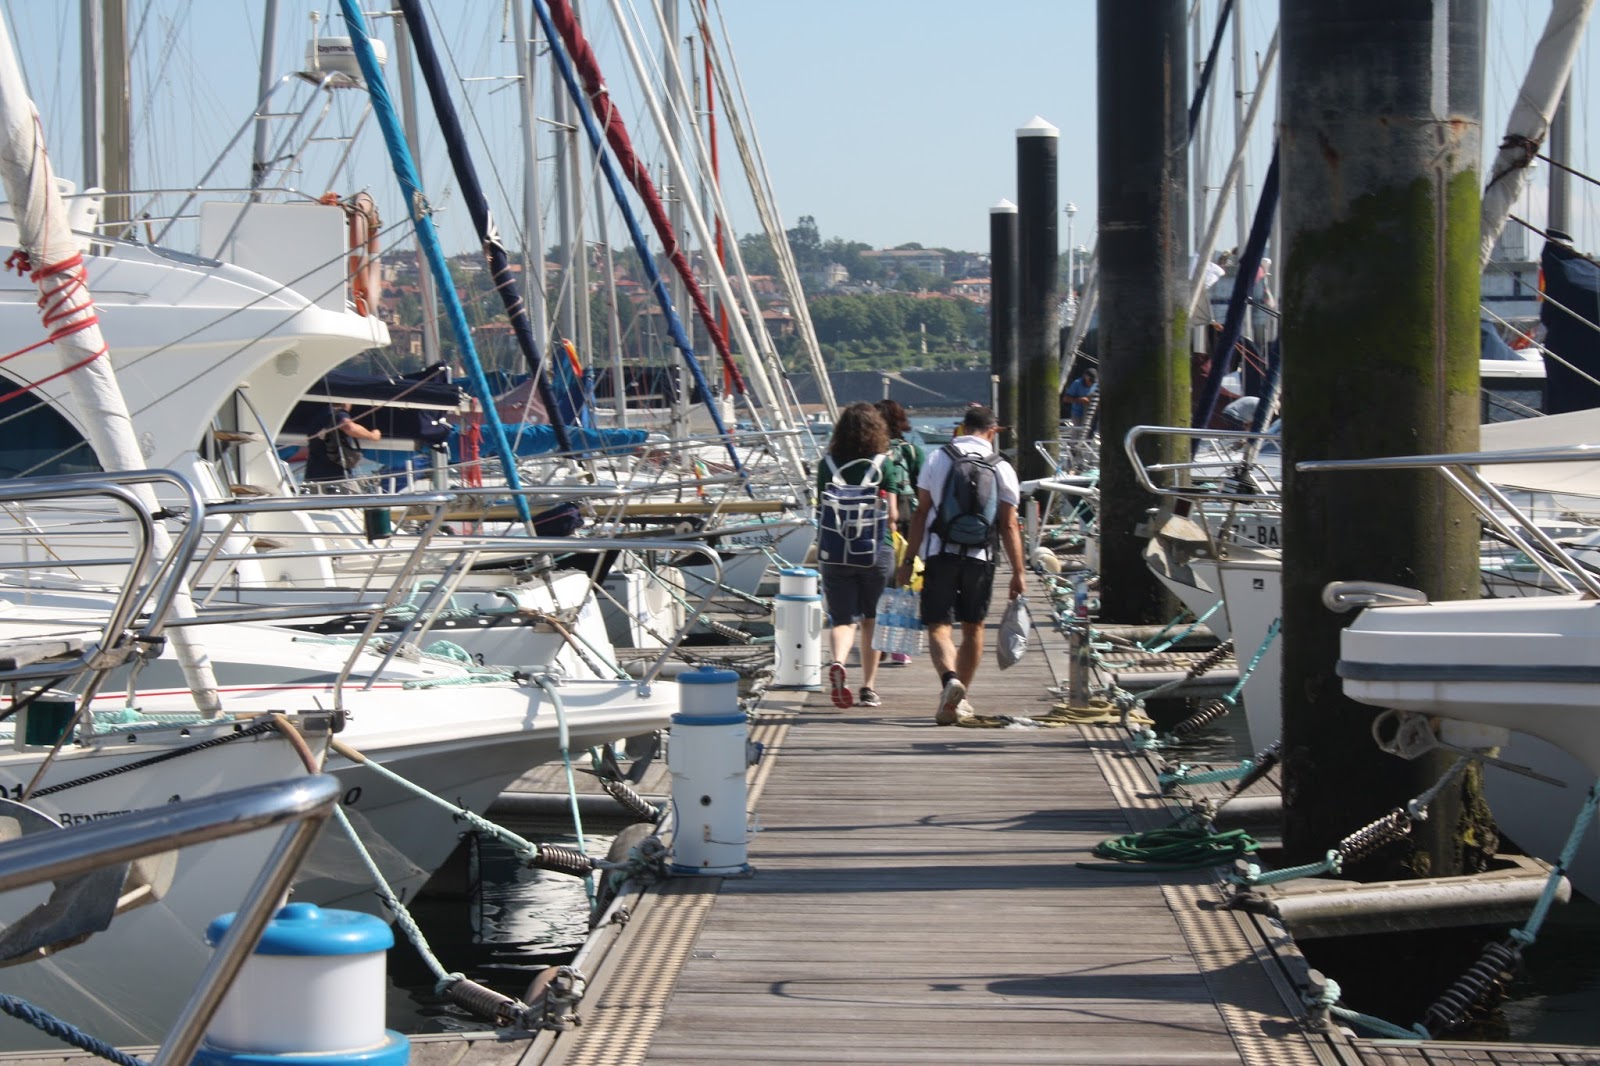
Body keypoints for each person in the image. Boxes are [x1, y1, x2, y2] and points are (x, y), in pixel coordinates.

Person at [896, 404, 1025, 725]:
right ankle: (960, 699)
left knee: (938, 626)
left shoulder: (938, 458)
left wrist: (909, 560)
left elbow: (921, 513)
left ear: (963, 427)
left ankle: (949, 681)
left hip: (940, 553)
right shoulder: (1002, 467)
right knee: (973, 627)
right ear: (992, 431)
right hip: (981, 557)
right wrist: (1019, 572)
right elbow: (1009, 525)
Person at [817, 402, 902, 710]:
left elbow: (820, 508)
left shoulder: (827, 464)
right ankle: (868, 688)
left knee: (842, 620)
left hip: (835, 551)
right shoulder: (883, 464)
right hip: (875, 551)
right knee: (871, 620)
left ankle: (839, 662)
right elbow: (893, 514)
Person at [875, 398, 923, 666]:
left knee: (881, 584)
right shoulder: (912, 451)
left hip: (879, 520)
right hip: (908, 518)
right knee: (906, 585)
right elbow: (923, 488)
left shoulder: (873, 454)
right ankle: (899, 646)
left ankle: (878, 643)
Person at [304, 402, 381, 492]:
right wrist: (372, 435)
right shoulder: (337, 413)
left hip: (313, 479)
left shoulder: (320, 415)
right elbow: (349, 427)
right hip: (338, 481)